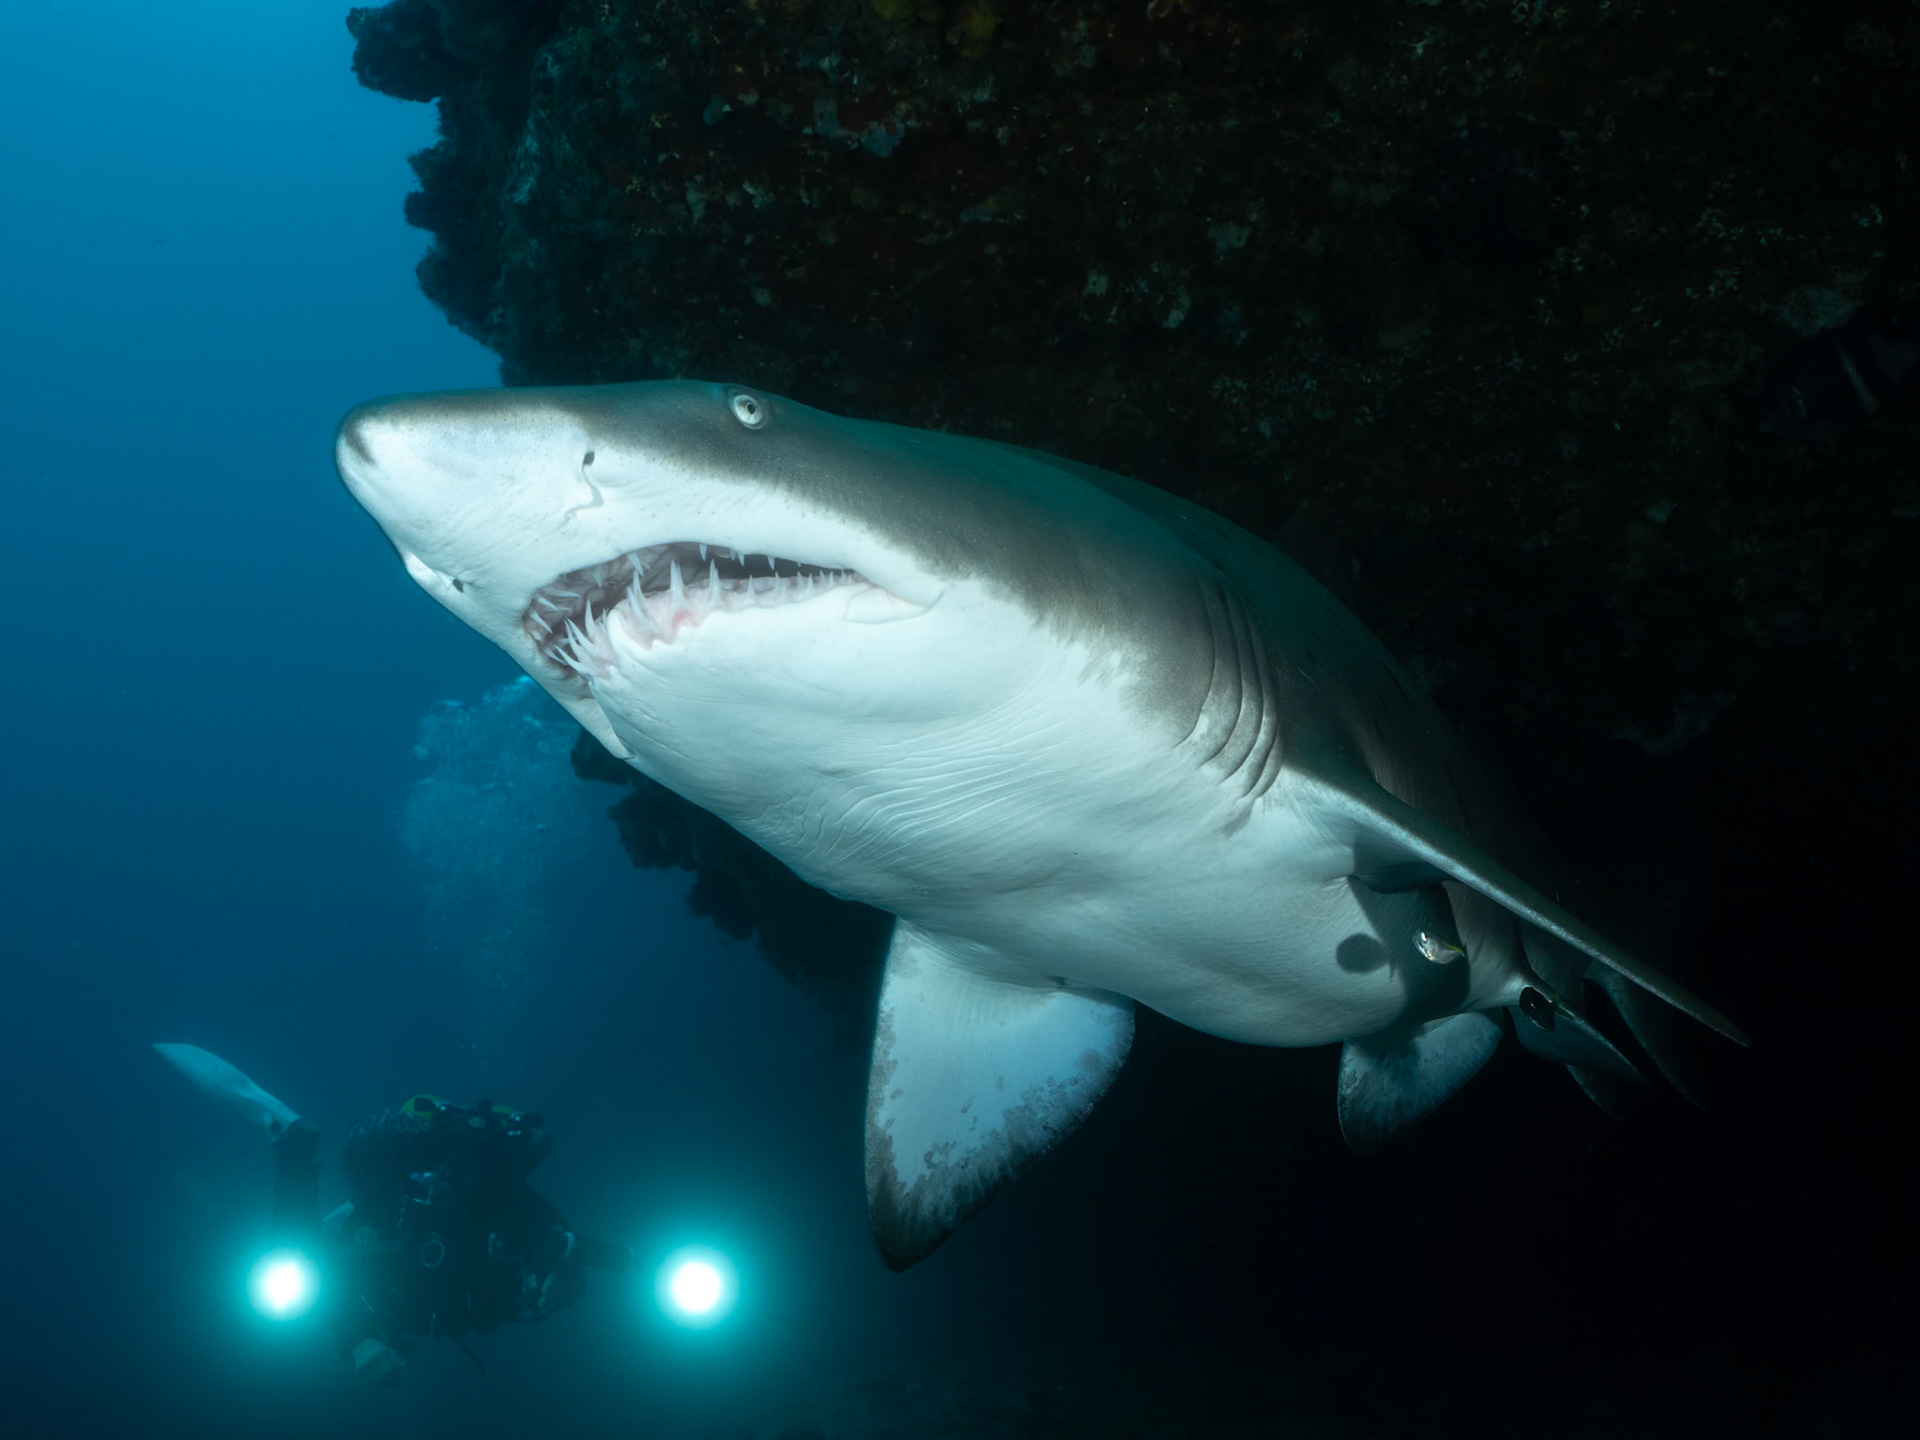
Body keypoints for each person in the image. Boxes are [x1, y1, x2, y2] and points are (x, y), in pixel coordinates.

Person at [156, 1044, 630, 1386]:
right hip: (404, 1304)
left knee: (295, 1259)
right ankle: (290, 1142)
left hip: (436, 1315)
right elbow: (311, 1269)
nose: (444, 1185)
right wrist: (356, 1339)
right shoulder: (387, 1214)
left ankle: (291, 1140)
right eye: (436, 1171)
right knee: (292, 1260)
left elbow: (569, 1247)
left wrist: (560, 1279)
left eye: (463, 1173)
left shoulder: (507, 1205)